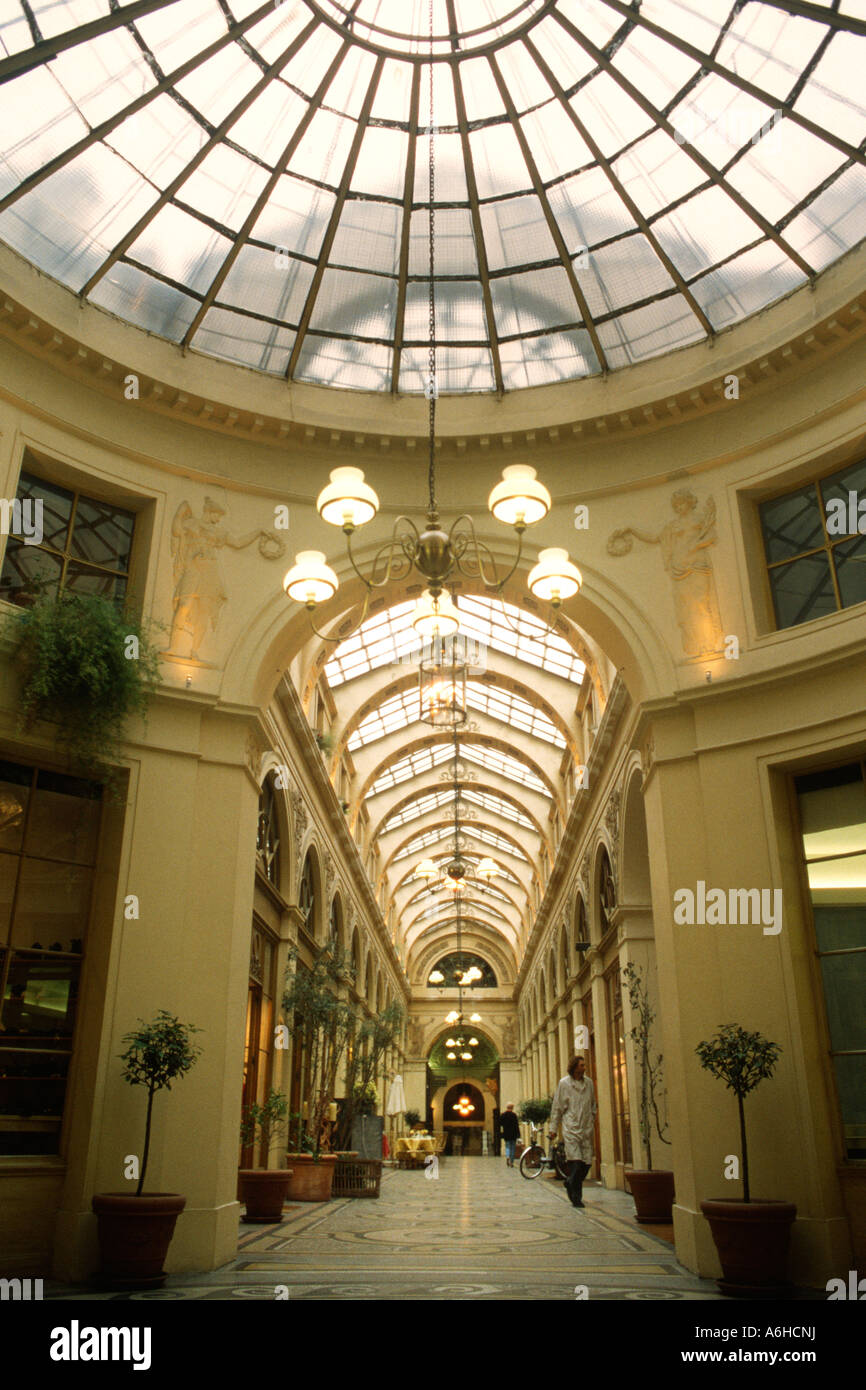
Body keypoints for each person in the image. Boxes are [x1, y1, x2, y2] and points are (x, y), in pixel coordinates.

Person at [549, 1055, 597, 1208]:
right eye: (582, 1065)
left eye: (584, 1065)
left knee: (587, 1162)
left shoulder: (589, 1083)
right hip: (571, 1126)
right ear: (575, 1067)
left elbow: (593, 1103)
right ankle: (577, 1197)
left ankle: (570, 1182)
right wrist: (553, 1129)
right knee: (575, 1161)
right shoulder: (564, 1084)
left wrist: (592, 1118)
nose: (584, 1068)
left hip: (586, 1127)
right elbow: (557, 1107)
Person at [500, 1103, 520, 1167]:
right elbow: (516, 1125)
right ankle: (511, 1161)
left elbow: (500, 1124)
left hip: (506, 1133)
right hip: (513, 1134)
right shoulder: (514, 1115)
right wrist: (518, 1134)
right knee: (513, 1148)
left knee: (507, 1146)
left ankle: (507, 1156)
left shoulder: (503, 1115)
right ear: (512, 1108)